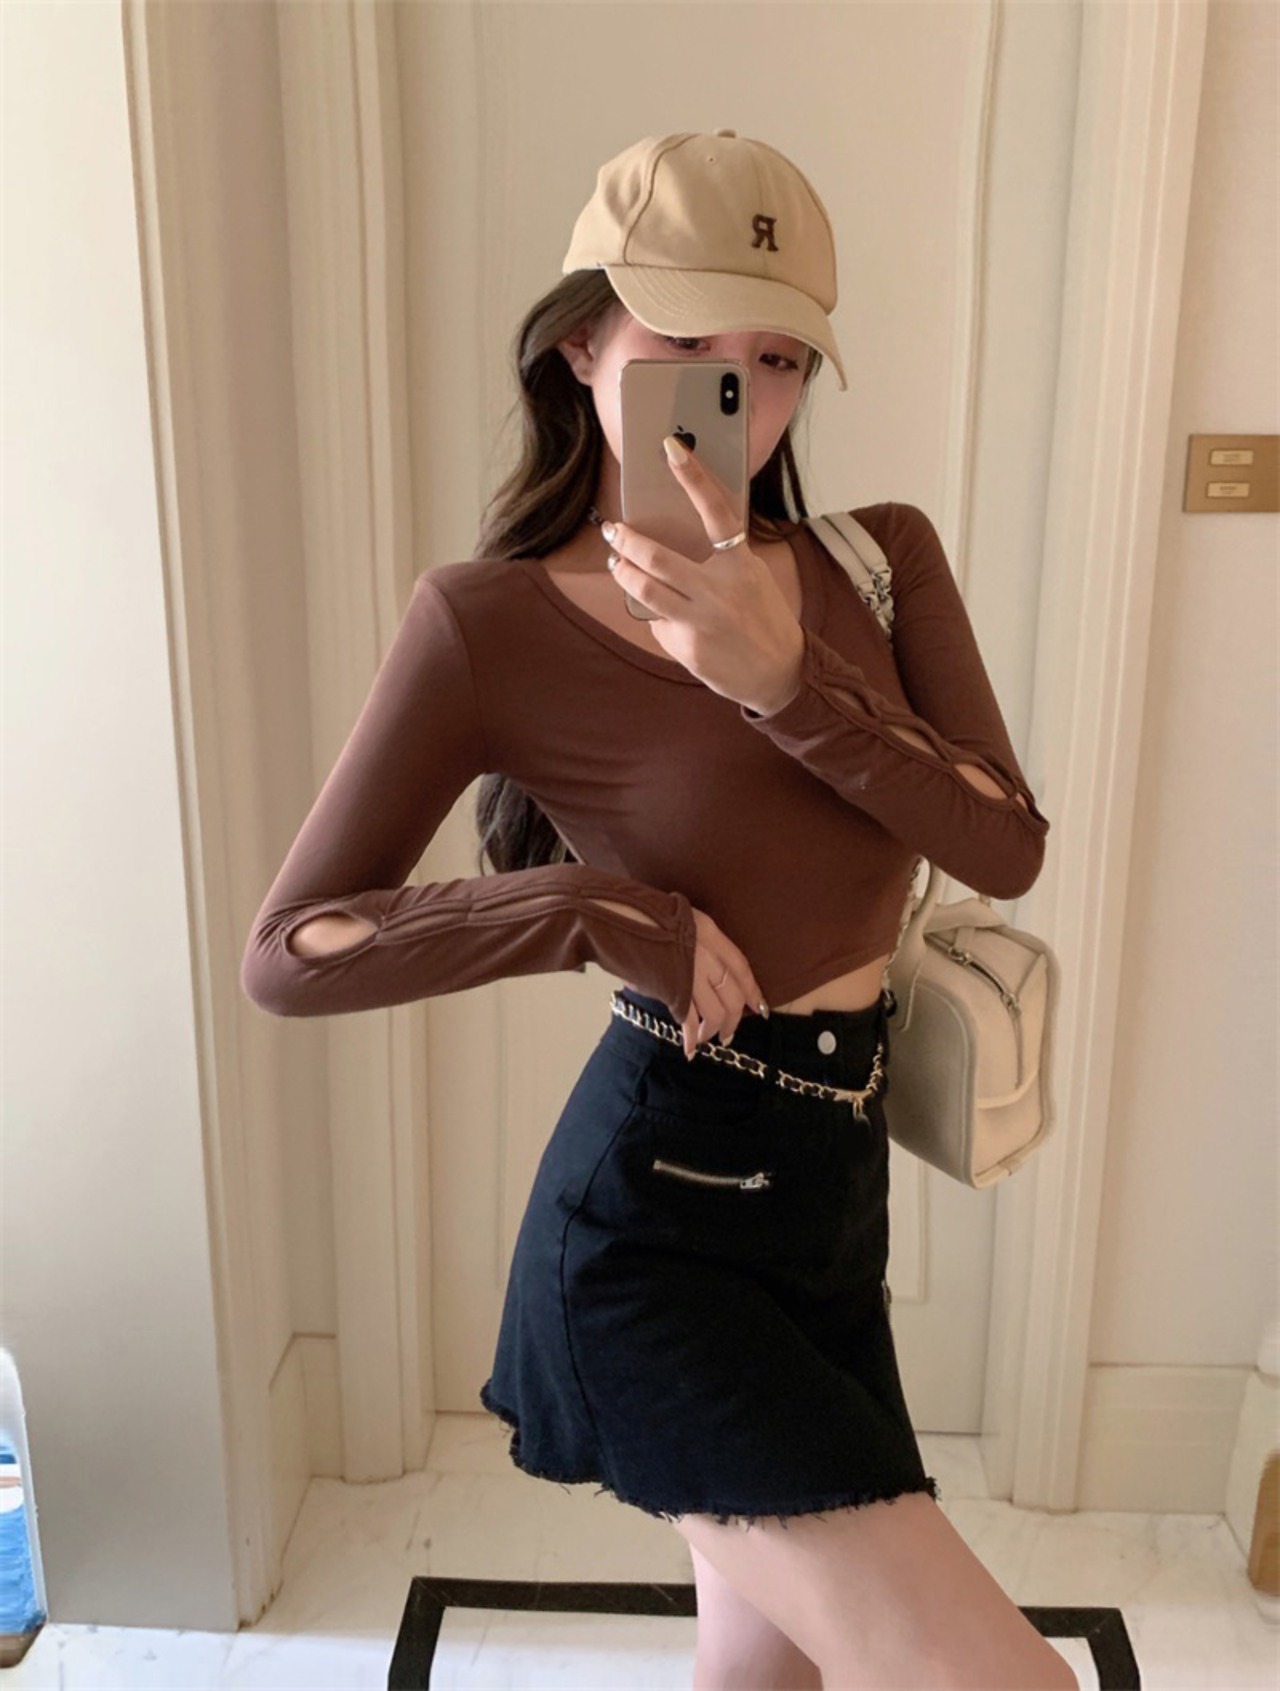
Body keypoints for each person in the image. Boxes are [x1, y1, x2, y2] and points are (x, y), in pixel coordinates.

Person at [241, 130, 1072, 1691]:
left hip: (831, 1210)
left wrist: (786, 683)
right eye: (690, 348)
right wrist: (588, 909)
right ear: (583, 348)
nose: (739, 395)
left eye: (780, 358)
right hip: (653, 1223)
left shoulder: (877, 564)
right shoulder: (487, 623)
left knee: (767, 1672)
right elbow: (290, 954)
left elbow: (1006, 842)